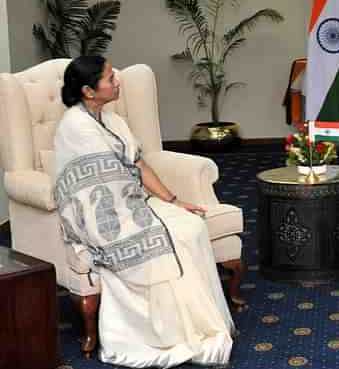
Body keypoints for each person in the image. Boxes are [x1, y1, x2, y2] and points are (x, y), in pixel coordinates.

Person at [53, 55, 235, 367]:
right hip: (104, 217)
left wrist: (174, 200)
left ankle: (197, 323)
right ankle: (167, 334)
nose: (117, 81)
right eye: (110, 78)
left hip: (135, 203)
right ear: (88, 90)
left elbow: (138, 164)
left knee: (190, 227)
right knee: (164, 242)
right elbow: (94, 188)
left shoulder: (113, 120)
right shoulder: (74, 126)